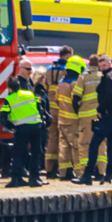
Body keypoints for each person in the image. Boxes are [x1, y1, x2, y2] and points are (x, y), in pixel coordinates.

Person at [75, 56, 112, 185]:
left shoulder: (107, 77)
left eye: (104, 66)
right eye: (100, 66)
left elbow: (109, 94)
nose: (102, 68)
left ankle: (87, 175)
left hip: (108, 116)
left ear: (109, 63)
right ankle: (109, 175)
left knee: (94, 144)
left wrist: (101, 109)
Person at [0, 76, 44, 187]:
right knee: (36, 152)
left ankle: (16, 179)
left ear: (9, 89)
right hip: (36, 126)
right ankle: (34, 179)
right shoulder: (30, 94)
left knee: (18, 153)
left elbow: (2, 118)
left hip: (21, 128)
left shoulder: (9, 99)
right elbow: (40, 108)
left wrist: (11, 127)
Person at [41, 46, 72, 178]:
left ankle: (49, 169)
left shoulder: (49, 69)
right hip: (63, 110)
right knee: (64, 140)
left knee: (52, 139)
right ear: (68, 56)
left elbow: (44, 88)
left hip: (50, 110)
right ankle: (63, 169)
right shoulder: (67, 71)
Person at [72, 54, 104, 179]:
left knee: (84, 144)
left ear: (89, 64)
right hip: (100, 116)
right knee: (101, 144)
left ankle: (85, 173)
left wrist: (78, 112)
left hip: (86, 117)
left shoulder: (83, 77)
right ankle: (102, 172)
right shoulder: (103, 76)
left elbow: (76, 97)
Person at [55, 56, 83, 180]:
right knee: (76, 147)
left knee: (64, 148)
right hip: (74, 121)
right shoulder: (75, 83)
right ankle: (78, 173)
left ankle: (64, 173)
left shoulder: (61, 83)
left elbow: (57, 100)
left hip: (62, 120)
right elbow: (77, 102)